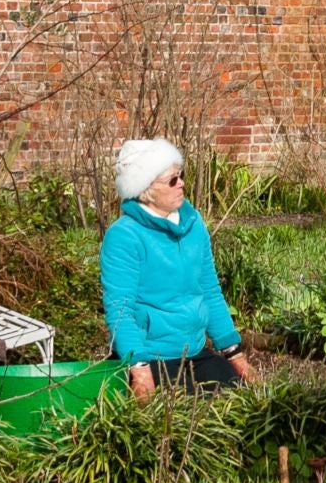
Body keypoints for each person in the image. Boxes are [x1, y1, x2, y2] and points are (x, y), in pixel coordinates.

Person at [102, 138, 258, 395]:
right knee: (184, 411)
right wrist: (139, 369)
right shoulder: (124, 236)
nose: (182, 183)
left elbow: (209, 291)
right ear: (146, 189)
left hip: (194, 351)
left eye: (180, 175)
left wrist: (234, 352)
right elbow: (120, 310)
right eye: (173, 180)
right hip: (151, 355)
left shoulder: (193, 224)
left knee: (236, 396)